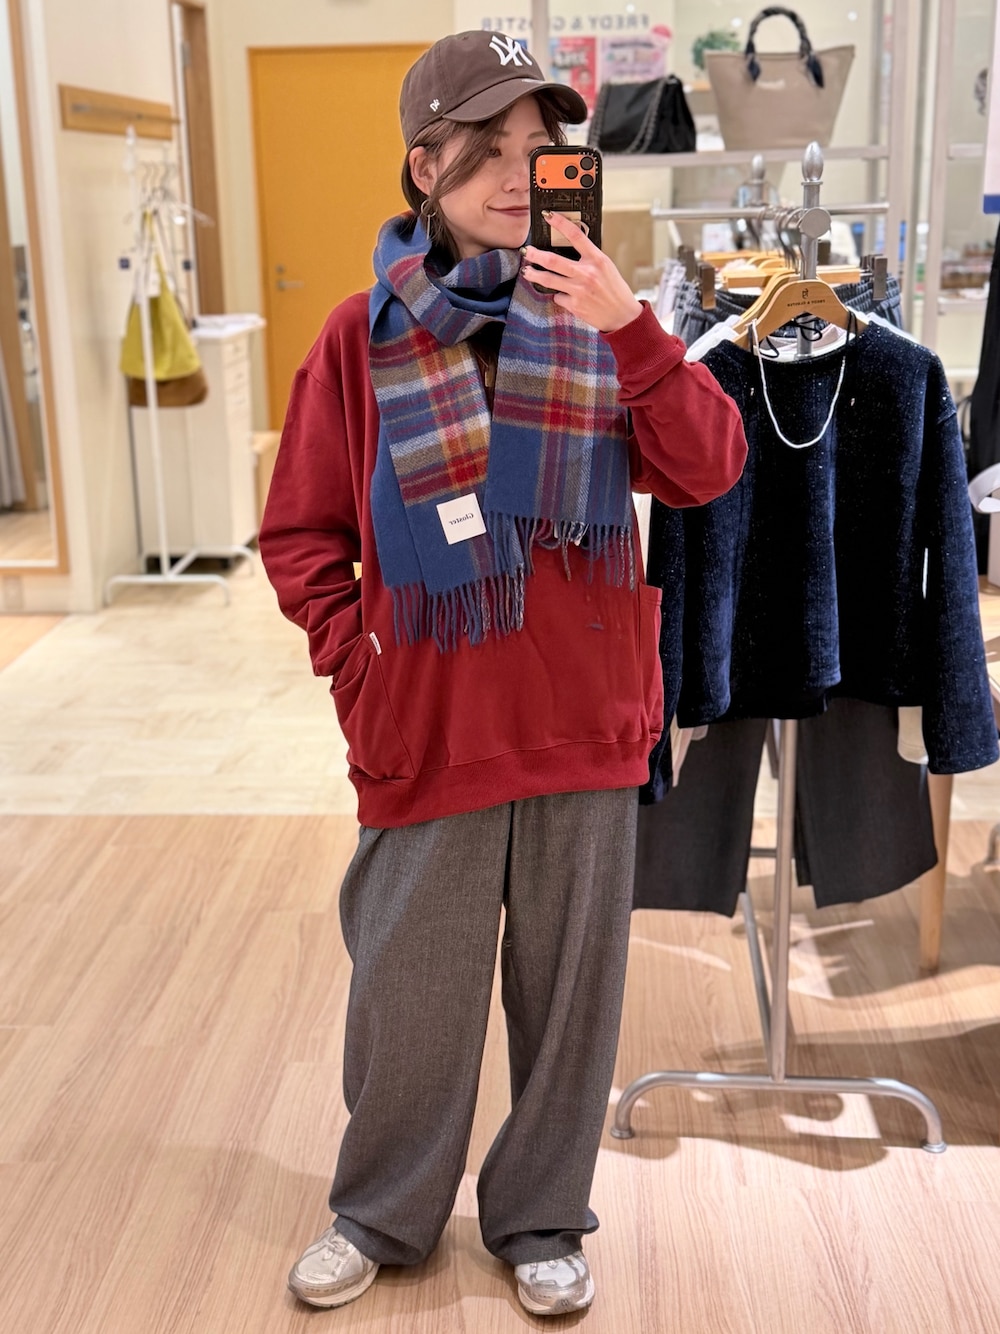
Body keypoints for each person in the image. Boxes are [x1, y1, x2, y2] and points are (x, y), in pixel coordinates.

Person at [259, 28, 746, 1319]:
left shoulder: (606, 321)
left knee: (568, 1002)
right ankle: (381, 1210)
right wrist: (359, 668)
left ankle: (538, 1216)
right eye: (492, 148)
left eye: (547, 148)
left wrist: (632, 330)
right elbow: (300, 536)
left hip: (584, 720)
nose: (525, 175)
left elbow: (708, 470)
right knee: (407, 995)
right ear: (426, 165)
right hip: (428, 725)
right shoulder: (358, 338)